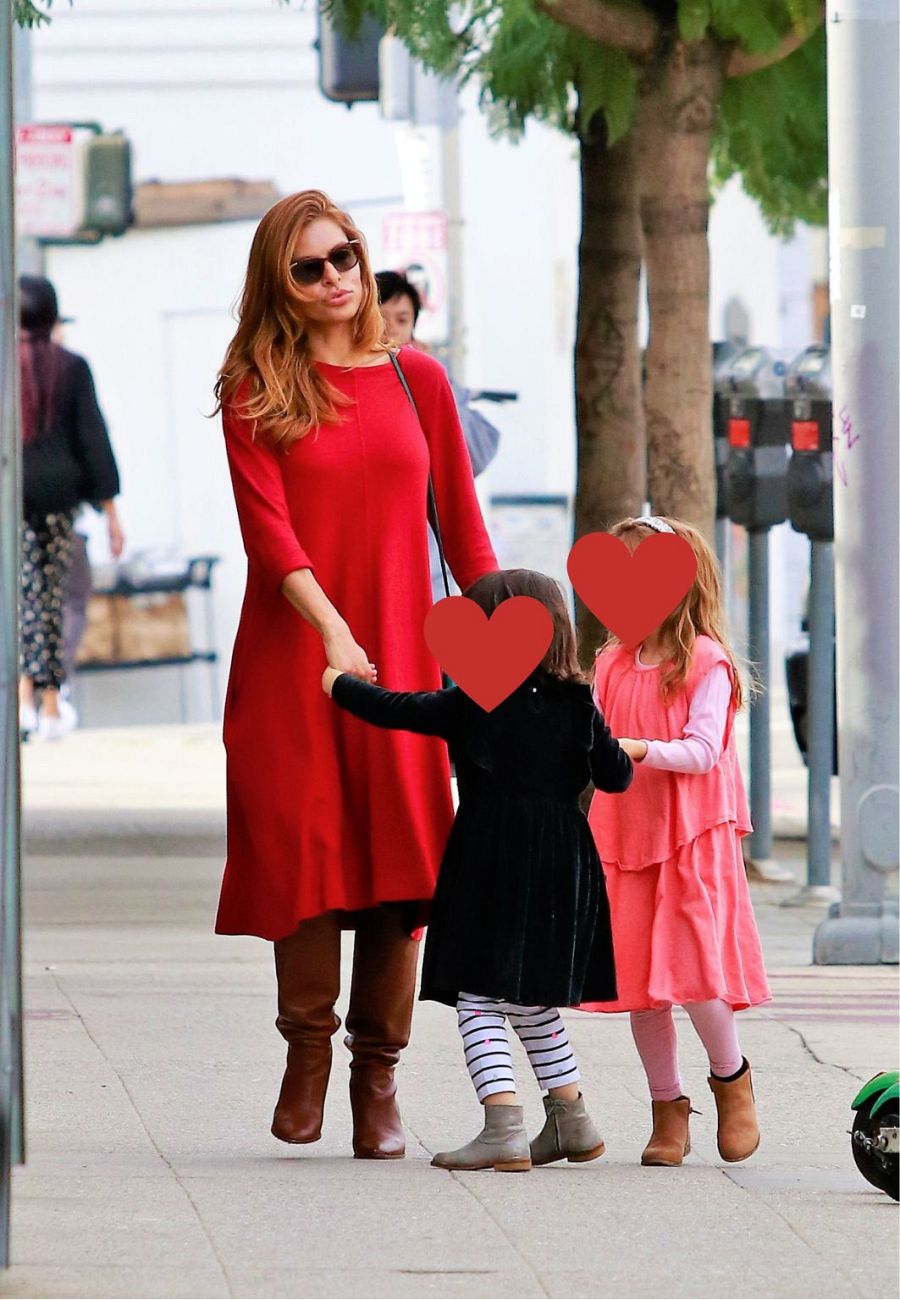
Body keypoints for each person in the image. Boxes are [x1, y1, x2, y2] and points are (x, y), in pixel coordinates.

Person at [213, 190, 497, 1160]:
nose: (335, 278)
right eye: (310, 267)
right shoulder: (256, 384)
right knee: (304, 851)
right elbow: (269, 533)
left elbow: (463, 527)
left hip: (406, 662)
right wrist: (334, 631)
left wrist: (519, 652)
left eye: (346, 257)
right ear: (278, 285)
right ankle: (307, 1052)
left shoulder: (419, 379)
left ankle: (378, 1078)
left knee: (403, 860)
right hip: (296, 655)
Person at [322, 568, 633, 1172]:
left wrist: (337, 683)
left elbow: (396, 710)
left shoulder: (476, 702)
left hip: (494, 857)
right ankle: (573, 1122)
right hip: (566, 861)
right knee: (530, 997)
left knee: (481, 997)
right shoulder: (577, 702)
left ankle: (503, 1127)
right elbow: (618, 776)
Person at [583, 515, 771, 1168]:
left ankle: (732, 1080)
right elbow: (590, 739)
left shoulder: (707, 664)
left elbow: (699, 752)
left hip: (688, 837)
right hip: (627, 837)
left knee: (695, 978)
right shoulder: (610, 662)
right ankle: (668, 1109)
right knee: (639, 983)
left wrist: (632, 748)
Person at [17, 275, 123, 741]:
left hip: (13, 501)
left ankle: (22, 699)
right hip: (61, 497)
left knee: (25, 596)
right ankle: (52, 706)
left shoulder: (6, 366)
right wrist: (111, 512)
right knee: (54, 597)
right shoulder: (73, 367)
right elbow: (92, 439)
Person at [375, 271, 501, 601]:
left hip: (428, 554)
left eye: (402, 319)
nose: (391, 329)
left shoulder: (430, 376)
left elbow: (467, 460)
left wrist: (433, 380)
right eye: (381, 316)